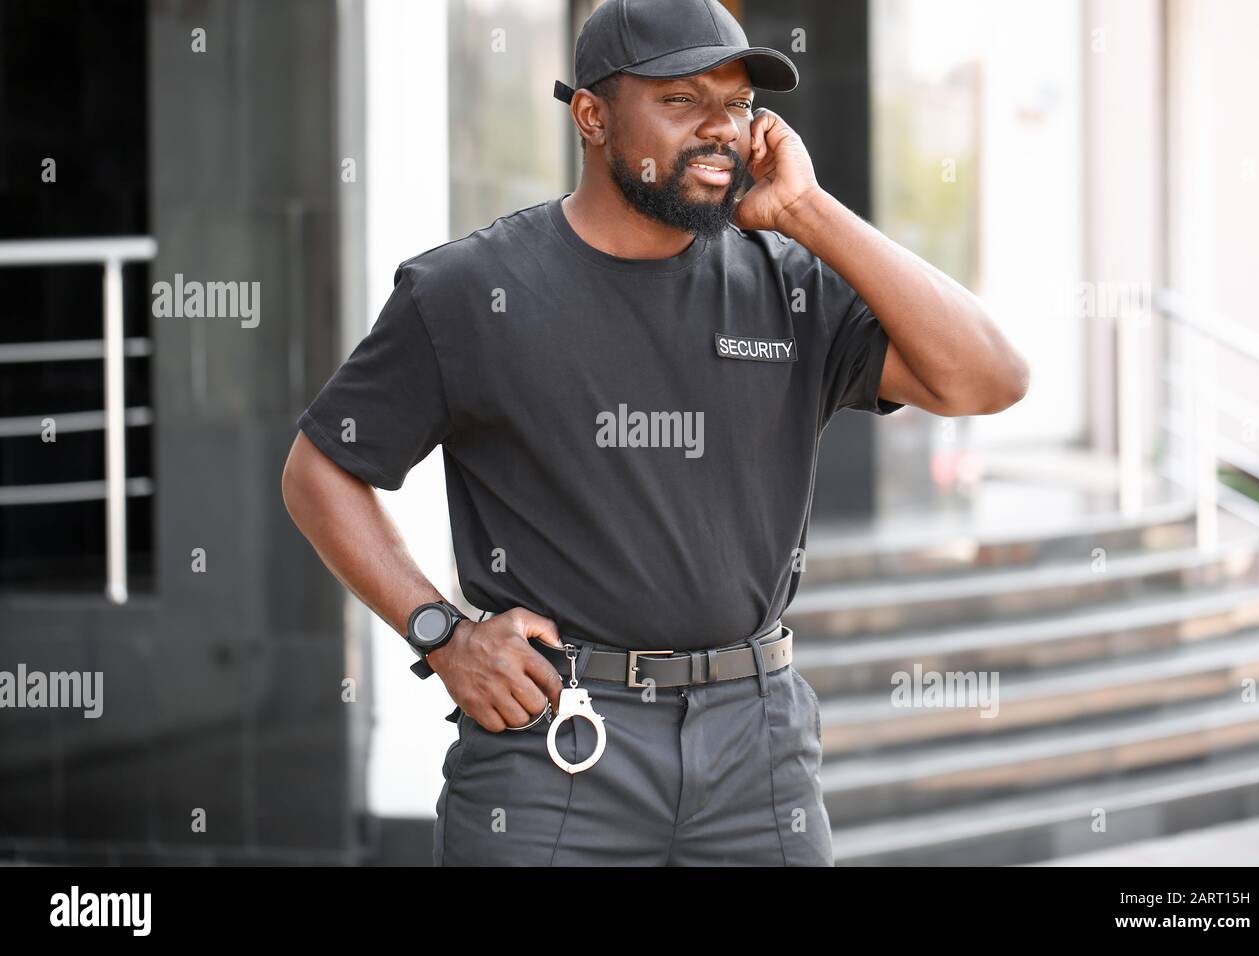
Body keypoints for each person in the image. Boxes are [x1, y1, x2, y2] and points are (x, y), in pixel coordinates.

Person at [281, 0, 1028, 866]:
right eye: (682, 101)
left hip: (761, 751)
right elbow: (319, 470)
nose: (721, 128)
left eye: (738, 103)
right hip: (554, 746)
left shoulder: (787, 285)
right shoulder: (470, 292)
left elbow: (990, 378)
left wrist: (813, 212)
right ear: (593, 117)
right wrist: (439, 634)